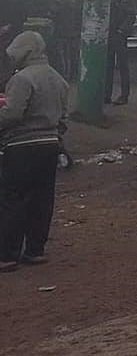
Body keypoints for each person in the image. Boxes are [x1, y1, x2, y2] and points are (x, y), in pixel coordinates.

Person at [0, 31, 69, 272]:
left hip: (21, 147)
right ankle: (34, 250)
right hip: (50, 145)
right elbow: (63, 117)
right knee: (42, 199)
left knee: (13, 199)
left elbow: (12, 114)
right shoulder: (58, 78)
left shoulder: (22, 79)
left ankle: (7, 255)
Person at [106, 0, 135, 106]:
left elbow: (131, 15)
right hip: (111, 35)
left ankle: (124, 96)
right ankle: (106, 95)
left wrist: (121, 30)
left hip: (119, 36)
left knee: (122, 67)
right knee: (108, 66)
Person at [47, 0, 80, 82]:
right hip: (74, 32)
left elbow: (51, 13)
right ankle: (74, 76)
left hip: (62, 32)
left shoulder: (60, 0)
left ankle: (64, 77)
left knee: (62, 56)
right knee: (73, 55)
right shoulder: (76, 1)